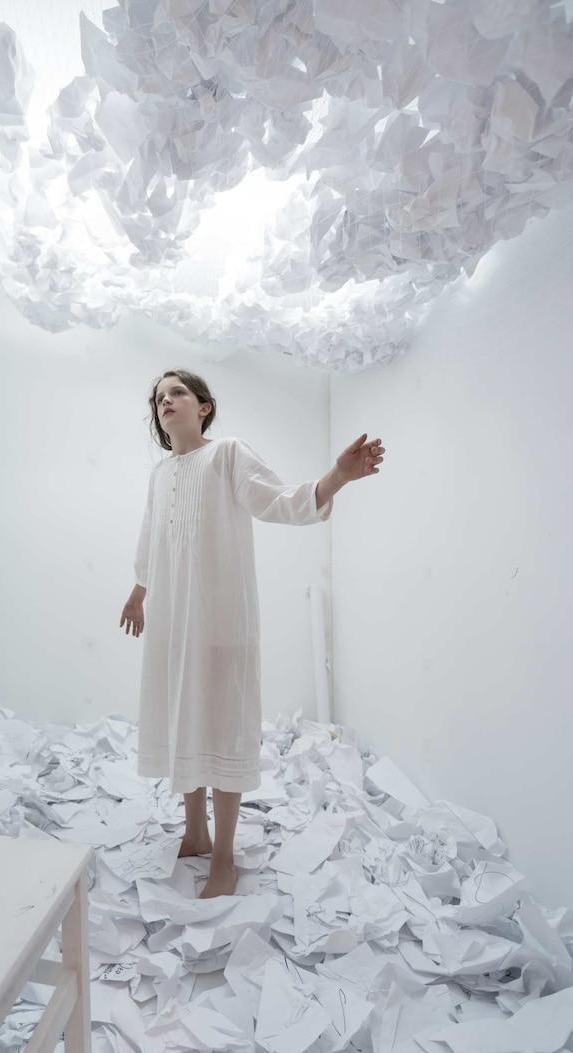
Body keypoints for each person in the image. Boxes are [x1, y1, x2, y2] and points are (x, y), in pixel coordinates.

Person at [120, 369, 385, 899]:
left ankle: (224, 856)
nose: (165, 401)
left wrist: (334, 477)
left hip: (221, 621)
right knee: (185, 718)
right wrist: (138, 591)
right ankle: (195, 833)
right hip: (174, 623)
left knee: (222, 727)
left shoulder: (228, 455)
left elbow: (278, 501)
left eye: (177, 392)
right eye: (158, 398)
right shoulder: (159, 475)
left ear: (204, 407)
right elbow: (151, 538)